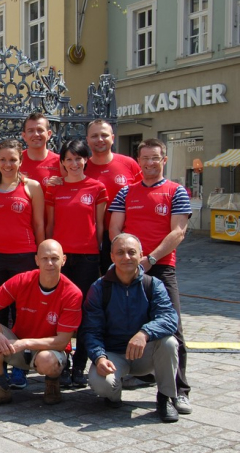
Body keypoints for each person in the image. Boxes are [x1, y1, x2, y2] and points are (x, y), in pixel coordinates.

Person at [109, 138, 193, 415]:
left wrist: (150, 259)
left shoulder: (175, 191)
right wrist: (124, 258)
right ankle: (142, 373)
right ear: (138, 161)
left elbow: (178, 232)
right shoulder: (126, 192)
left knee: (173, 328)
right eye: (144, 158)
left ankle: (179, 391)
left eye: (155, 158)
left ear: (164, 160)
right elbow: (115, 228)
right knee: (129, 320)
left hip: (161, 266)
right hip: (129, 267)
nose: (149, 163)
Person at [82, 233, 180, 422]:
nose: (126, 257)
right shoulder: (99, 288)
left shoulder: (153, 285)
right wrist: (99, 357)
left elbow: (169, 317)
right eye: (120, 252)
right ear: (112, 257)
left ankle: (166, 398)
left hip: (145, 353)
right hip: (114, 354)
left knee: (169, 343)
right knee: (100, 384)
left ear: (141, 255)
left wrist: (145, 333)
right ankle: (113, 395)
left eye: (131, 252)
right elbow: (91, 330)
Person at [0, 240, 82, 409]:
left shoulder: (72, 293)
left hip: (48, 350)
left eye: (55, 258)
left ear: (64, 260)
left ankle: (52, 383)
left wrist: (24, 343)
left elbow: (62, 341)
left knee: (47, 360)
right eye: (45, 258)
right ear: (36, 260)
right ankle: (1, 387)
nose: (50, 263)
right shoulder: (22, 280)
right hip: (17, 346)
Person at [0, 139, 45, 387]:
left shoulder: (32, 187)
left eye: (12, 159)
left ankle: (21, 367)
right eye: (3, 159)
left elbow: (39, 225)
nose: (7, 164)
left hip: (25, 257)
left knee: (22, 314)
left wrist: (40, 258)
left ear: (20, 161)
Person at [45, 140, 108, 387]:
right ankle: (61, 361)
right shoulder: (54, 188)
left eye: (78, 158)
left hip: (87, 257)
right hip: (60, 257)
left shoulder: (97, 187)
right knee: (58, 309)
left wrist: (101, 258)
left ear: (86, 160)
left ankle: (80, 365)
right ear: (62, 162)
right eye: (69, 159)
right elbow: (49, 225)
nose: (74, 163)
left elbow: (100, 226)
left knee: (83, 312)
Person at [85, 120, 142, 274]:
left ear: (112, 137)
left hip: (125, 233)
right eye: (94, 136)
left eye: (104, 135)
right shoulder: (81, 168)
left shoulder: (129, 164)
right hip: (91, 236)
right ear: (87, 140)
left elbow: (144, 193)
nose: (100, 139)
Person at [20, 113, 60, 192]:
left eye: (40, 130)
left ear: (49, 134)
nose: (36, 134)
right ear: (24, 136)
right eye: (31, 131)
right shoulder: (15, 160)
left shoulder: (60, 162)